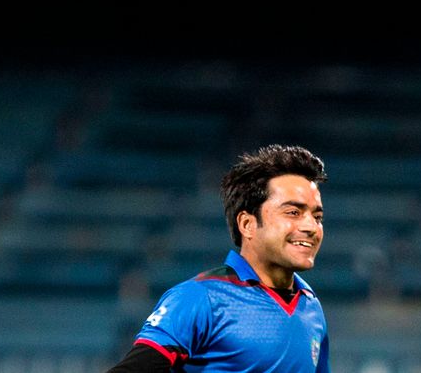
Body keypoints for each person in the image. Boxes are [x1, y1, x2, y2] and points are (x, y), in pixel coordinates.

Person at [107, 144, 330, 372]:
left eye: (317, 216)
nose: (311, 226)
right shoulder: (199, 298)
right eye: (293, 212)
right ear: (247, 224)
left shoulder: (312, 307)